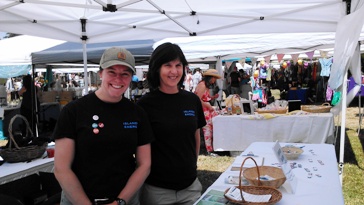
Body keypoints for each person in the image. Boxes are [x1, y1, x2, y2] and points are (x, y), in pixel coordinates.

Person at [53, 47, 154, 205]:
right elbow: (61, 168)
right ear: (101, 73)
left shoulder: (137, 113)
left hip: (124, 200)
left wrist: (120, 201)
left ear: (131, 77)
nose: (118, 79)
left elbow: (144, 164)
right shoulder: (74, 111)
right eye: (111, 72)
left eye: (125, 74)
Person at [137, 42, 206, 205]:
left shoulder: (192, 100)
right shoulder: (144, 105)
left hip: (190, 187)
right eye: (167, 65)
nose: (174, 71)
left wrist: (191, 167)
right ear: (157, 68)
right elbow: (140, 149)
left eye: (178, 65)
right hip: (157, 190)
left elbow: (195, 137)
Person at [194, 69, 221, 154]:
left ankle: (210, 148)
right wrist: (207, 105)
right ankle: (208, 150)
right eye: (214, 78)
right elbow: (197, 99)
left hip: (206, 110)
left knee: (210, 129)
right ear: (210, 78)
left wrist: (213, 97)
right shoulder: (202, 85)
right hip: (203, 111)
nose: (214, 81)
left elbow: (205, 98)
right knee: (207, 130)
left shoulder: (205, 86)